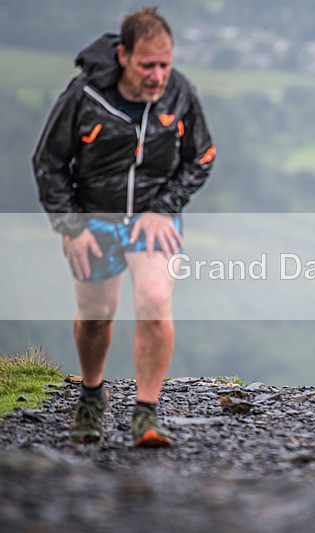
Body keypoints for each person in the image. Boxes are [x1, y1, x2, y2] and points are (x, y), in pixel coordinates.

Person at [32, 7, 215, 446]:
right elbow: (49, 163)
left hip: (154, 217)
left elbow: (202, 156)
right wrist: (71, 227)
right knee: (97, 316)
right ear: (123, 56)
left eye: (165, 65)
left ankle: (145, 415)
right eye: (147, 65)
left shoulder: (180, 93)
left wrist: (165, 207)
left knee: (154, 298)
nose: (157, 76)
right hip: (94, 217)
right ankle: (92, 397)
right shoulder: (85, 95)